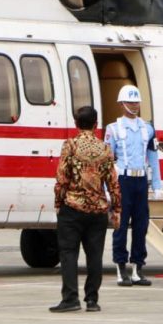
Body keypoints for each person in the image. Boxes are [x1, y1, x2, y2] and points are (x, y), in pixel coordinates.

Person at [49, 106, 121, 313]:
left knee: (69, 254)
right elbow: (113, 183)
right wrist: (116, 208)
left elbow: (62, 178)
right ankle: (92, 299)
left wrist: (58, 202)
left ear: (76, 123)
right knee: (94, 255)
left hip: (73, 207)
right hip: (97, 210)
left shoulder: (70, 146)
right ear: (96, 124)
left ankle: (71, 298)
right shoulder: (105, 149)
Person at [105, 85, 162, 287]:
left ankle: (138, 267)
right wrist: (107, 190)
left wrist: (157, 185)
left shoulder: (147, 128)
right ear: (122, 104)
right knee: (120, 225)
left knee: (141, 225)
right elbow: (107, 161)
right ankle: (121, 267)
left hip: (140, 181)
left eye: (136, 102)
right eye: (130, 102)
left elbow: (153, 158)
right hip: (123, 180)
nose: (134, 106)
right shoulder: (113, 129)